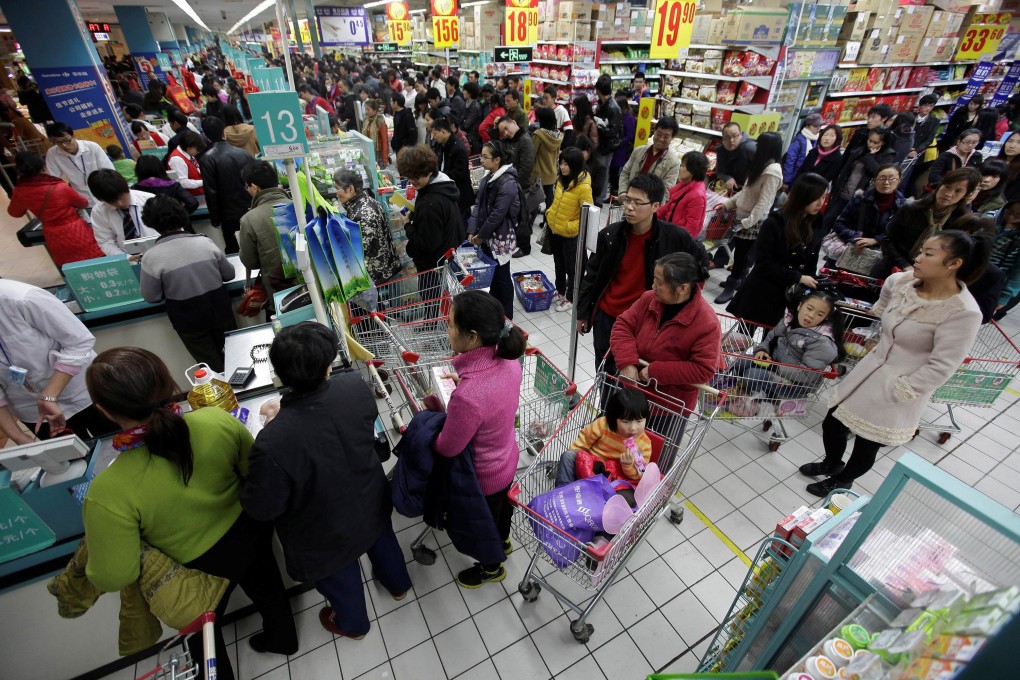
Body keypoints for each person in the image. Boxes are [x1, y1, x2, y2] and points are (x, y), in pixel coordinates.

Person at [82, 348, 298, 680]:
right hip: (249, 531)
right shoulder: (215, 419)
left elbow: (114, 575)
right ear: (168, 381)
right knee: (268, 587)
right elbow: (251, 473)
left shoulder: (107, 491)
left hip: (194, 567)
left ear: (104, 411)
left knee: (202, 637)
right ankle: (283, 640)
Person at [240, 322, 412, 638]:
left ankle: (354, 626)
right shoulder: (354, 387)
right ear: (328, 368)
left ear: (278, 375)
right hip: (371, 498)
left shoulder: (271, 442)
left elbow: (264, 507)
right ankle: (399, 587)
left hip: (324, 531)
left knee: (340, 576)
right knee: (383, 541)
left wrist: (273, 423)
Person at [799, 230, 987, 496]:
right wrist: (879, 316)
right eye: (921, 250)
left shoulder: (963, 312)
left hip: (899, 386)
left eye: (928, 254)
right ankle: (832, 463)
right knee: (833, 421)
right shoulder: (905, 282)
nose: (918, 258)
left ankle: (843, 480)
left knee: (867, 443)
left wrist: (905, 388)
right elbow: (887, 291)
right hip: (869, 371)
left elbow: (944, 365)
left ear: (953, 264)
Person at [432, 290, 527, 587]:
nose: (447, 329)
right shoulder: (509, 361)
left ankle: (491, 567)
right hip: (508, 458)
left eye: (450, 324)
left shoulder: (469, 396)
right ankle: (504, 542)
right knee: (501, 516)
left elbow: (448, 447)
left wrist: (439, 412)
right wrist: (465, 385)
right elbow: (493, 399)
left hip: (484, 477)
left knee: (480, 528)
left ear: (472, 337)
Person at [577, 173, 710, 375]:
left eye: (638, 203)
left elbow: (701, 263)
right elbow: (592, 275)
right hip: (607, 316)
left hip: (644, 320)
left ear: (656, 206)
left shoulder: (674, 237)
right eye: (627, 200)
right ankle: (607, 405)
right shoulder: (610, 235)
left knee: (634, 375)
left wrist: (687, 295)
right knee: (605, 371)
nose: (629, 207)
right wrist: (584, 312)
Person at [0, 278, 117, 444]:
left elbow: (79, 341)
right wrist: (17, 435)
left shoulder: (23, 298)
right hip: (34, 412)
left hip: (85, 393)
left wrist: (49, 396)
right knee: (74, 464)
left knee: (120, 444)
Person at [611, 251, 721, 412]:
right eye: (654, 279)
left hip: (668, 406)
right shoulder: (648, 299)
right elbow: (623, 325)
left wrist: (656, 371)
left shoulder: (707, 323)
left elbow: (703, 369)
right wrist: (626, 362)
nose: (653, 286)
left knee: (655, 438)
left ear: (682, 288)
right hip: (632, 395)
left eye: (659, 282)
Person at [139, 195, 237, 372]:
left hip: (188, 321)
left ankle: (225, 396)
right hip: (221, 311)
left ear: (150, 222)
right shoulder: (205, 242)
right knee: (236, 356)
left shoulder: (151, 258)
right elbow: (229, 274)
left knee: (210, 367)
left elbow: (151, 296)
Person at [727, 173, 828, 327]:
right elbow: (763, 264)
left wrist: (811, 282)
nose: (821, 203)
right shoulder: (775, 223)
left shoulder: (815, 222)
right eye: (817, 197)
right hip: (761, 292)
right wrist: (798, 277)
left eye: (824, 197)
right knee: (744, 339)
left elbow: (811, 260)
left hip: (789, 298)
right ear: (804, 195)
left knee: (773, 343)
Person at [731, 290, 844, 399]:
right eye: (809, 308)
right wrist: (762, 350)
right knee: (739, 361)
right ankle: (745, 390)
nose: (811, 315)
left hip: (797, 385)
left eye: (819, 314)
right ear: (800, 306)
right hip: (775, 366)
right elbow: (769, 339)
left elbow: (807, 375)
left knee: (752, 374)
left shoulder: (822, 342)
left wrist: (773, 366)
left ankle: (765, 400)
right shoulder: (789, 320)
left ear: (826, 318)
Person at [714, 131, 785, 304]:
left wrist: (747, 222)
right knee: (741, 254)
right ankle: (737, 281)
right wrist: (728, 204)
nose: (755, 147)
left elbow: (764, 202)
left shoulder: (772, 171)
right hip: (743, 216)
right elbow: (746, 192)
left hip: (752, 221)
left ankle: (733, 285)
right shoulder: (760, 165)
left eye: (759, 144)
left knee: (741, 256)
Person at [6, 151, 104, 268]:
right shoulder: (59, 187)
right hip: (77, 231)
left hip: (53, 235)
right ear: (43, 167)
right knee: (96, 262)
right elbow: (83, 203)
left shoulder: (19, 191)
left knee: (72, 268)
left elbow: (15, 213)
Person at [880, 168, 981, 276]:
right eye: (947, 186)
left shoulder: (961, 221)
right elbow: (887, 238)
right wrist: (905, 265)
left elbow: (954, 255)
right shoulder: (912, 208)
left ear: (966, 195)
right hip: (894, 266)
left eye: (958, 191)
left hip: (930, 274)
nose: (948, 194)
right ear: (940, 185)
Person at [396, 145, 465, 295]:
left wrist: (408, 225)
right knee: (442, 300)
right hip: (446, 255)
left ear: (429, 171)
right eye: (409, 177)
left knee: (431, 304)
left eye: (417, 176)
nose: (413, 181)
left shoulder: (430, 202)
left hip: (433, 265)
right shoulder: (444, 185)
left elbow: (426, 244)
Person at [554, 388, 653, 487]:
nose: (633, 428)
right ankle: (563, 492)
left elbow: (639, 475)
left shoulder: (644, 444)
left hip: (610, 479)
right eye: (626, 422)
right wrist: (577, 458)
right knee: (568, 456)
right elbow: (584, 440)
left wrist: (627, 465)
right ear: (614, 419)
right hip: (588, 464)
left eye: (639, 421)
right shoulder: (603, 425)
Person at [469, 141, 521, 319]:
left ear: (497, 159)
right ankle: (496, 313)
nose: (481, 160)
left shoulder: (507, 182)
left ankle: (507, 317)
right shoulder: (488, 177)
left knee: (502, 277)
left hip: (500, 237)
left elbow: (497, 215)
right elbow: (478, 206)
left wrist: (480, 235)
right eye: (481, 156)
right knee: (493, 276)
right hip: (486, 235)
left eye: (485, 157)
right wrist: (472, 229)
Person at [238, 161, 296, 314]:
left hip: (278, 292)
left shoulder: (249, 219)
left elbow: (250, 261)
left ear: (254, 187)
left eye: (247, 186)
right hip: (310, 288)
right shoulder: (298, 205)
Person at [823, 164, 904, 270]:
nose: (886, 182)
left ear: (899, 180)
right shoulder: (860, 199)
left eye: (891, 178)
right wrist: (856, 238)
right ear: (875, 180)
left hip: (878, 260)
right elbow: (839, 223)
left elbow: (900, 234)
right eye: (882, 178)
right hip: (848, 252)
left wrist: (876, 240)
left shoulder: (903, 206)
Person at [333, 168, 402, 285]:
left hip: (379, 275)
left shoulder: (363, 214)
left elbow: (359, 251)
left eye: (338, 189)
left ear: (350, 189)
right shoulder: (367, 201)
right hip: (386, 268)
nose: (336, 193)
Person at [824, 126, 896, 234]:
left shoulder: (888, 156)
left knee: (847, 229)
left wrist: (870, 157)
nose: (871, 144)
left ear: (883, 142)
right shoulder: (860, 150)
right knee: (827, 221)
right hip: (843, 193)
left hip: (861, 199)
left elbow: (878, 173)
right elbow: (846, 169)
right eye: (870, 140)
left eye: (875, 142)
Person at [198, 116, 254, 254]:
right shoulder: (243, 153)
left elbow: (211, 190)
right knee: (253, 243)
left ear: (205, 134)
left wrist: (215, 218)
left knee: (234, 247)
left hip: (228, 213)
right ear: (224, 132)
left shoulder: (207, 158)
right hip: (249, 208)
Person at [546, 147, 592, 313]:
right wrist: (550, 214)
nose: (563, 167)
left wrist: (570, 226)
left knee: (572, 268)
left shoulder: (584, 188)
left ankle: (571, 298)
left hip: (570, 235)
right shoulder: (561, 180)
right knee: (558, 264)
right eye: (561, 163)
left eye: (567, 164)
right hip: (555, 230)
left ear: (576, 165)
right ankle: (560, 291)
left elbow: (588, 215)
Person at [87, 169, 158, 256]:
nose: (119, 203)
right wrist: (126, 258)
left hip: (157, 252)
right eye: (112, 201)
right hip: (127, 258)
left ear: (126, 188)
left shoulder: (149, 199)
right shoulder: (99, 212)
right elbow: (106, 242)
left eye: (121, 197)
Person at [44, 122, 115, 209]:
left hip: (105, 196)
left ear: (74, 136)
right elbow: (53, 179)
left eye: (66, 140)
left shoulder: (92, 147)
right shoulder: (53, 153)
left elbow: (109, 171)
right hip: (82, 201)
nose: (64, 145)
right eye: (58, 142)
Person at [618, 118, 681, 195]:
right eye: (659, 134)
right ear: (654, 132)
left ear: (672, 138)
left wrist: (650, 205)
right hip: (629, 197)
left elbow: (667, 190)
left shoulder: (673, 163)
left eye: (666, 137)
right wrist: (623, 192)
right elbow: (625, 172)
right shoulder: (638, 151)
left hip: (649, 205)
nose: (661, 139)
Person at [657, 150, 709, 238]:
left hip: (678, 239)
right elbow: (668, 207)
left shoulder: (697, 195)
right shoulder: (684, 186)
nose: (680, 168)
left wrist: (675, 239)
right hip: (671, 231)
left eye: (683, 166)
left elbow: (692, 227)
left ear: (693, 170)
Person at [430, 117, 475, 218]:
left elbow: (459, 173)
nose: (433, 137)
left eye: (435, 133)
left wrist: (439, 176)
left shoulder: (458, 148)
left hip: (461, 194)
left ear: (442, 131)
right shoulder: (444, 145)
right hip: (450, 190)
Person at [132, 155, 199, 217]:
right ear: (160, 168)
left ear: (138, 170)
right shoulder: (173, 185)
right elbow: (193, 203)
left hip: (149, 226)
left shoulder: (135, 189)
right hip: (176, 225)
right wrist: (179, 215)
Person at [593, 75, 623, 203]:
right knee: (599, 171)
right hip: (600, 144)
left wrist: (600, 126)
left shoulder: (613, 108)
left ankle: (599, 200)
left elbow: (613, 132)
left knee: (603, 172)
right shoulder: (603, 104)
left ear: (598, 90)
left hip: (607, 146)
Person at [990, 200, 1020, 320]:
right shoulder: (990, 217)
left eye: (1017, 215)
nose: (1011, 216)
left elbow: (1017, 273)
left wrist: (1004, 297)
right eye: (1009, 211)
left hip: (991, 281)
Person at [532, 106, 564, 210]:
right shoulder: (558, 136)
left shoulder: (538, 135)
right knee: (549, 197)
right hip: (552, 170)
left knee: (534, 197)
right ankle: (548, 221)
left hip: (538, 173)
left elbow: (532, 152)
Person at [783, 114, 823, 188]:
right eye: (815, 126)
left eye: (819, 126)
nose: (818, 128)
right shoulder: (799, 141)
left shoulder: (815, 139)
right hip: (794, 179)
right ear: (807, 126)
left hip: (805, 178)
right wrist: (786, 181)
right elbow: (790, 161)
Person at [714, 122, 757, 193]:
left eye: (735, 136)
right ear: (723, 138)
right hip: (732, 189)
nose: (731, 140)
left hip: (751, 190)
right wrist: (727, 178)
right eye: (727, 137)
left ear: (740, 134)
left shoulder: (751, 148)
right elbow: (719, 171)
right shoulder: (721, 150)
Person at [610, 93, 636, 197]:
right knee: (613, 172)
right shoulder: (620, 115)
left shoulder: (629, 118)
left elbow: (630, 135)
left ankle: (616, 194)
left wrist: (620, 142)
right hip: (616, 148)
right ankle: (612, 193)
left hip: (622, 150)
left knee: (617, 172)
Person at [166, 129, 206, 197]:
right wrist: (204, 182)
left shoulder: (188, 154)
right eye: (197, 149)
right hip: (193, 196)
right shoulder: (177, 160)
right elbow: (183, 183)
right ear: (189, 147)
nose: (199, 151)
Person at [361, 98, 390, 166]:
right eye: (365, 109)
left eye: (368, 109)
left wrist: (385, 159)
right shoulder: (366, 120)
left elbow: (385, 141)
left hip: (378, 154)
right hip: (368, 152)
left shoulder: (380, 121)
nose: (366, 111)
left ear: (374, 110)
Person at [911, 94, 941, 159]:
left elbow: (929, 140)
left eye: (931, 106)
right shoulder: (910, 116)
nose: (928, 108)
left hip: (918, 152)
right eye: (925, 105)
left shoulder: (935, 121)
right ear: (920, 105)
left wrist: (916, 151)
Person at [998, 131, 1020, 202]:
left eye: (1019, 143)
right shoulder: (991, 160)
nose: (1012, 146)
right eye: (1010, 141)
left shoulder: (1018, 172)